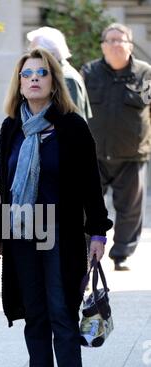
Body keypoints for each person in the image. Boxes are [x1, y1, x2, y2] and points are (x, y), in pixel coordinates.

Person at [0, 47, 112, 367]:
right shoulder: (12, 126)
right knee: (34, 316)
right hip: (22, 234)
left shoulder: (72, 126)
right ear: (20, 83)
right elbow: (2, 183)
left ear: (53, 81)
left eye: (42, 73)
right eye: (28, 74)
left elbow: (92, 184)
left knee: (61, 314)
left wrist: (97, 232)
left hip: (61, 235)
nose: (35, 79)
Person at [82, 23, 151, 271]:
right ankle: (87, 251)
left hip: (131, 154)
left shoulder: (145, 74)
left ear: (130, 45)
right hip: (94, 155)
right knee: (88, 207)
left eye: (120, 40)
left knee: (130, 210)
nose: (115, 44)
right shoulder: (89, 72)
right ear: (102, 45)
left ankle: (121, 253)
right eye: (109, 40)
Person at [27, 26, 91, 121]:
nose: (30, 58)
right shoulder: (53, 75)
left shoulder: (67, 78)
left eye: (34, 53)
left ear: (50, 54)